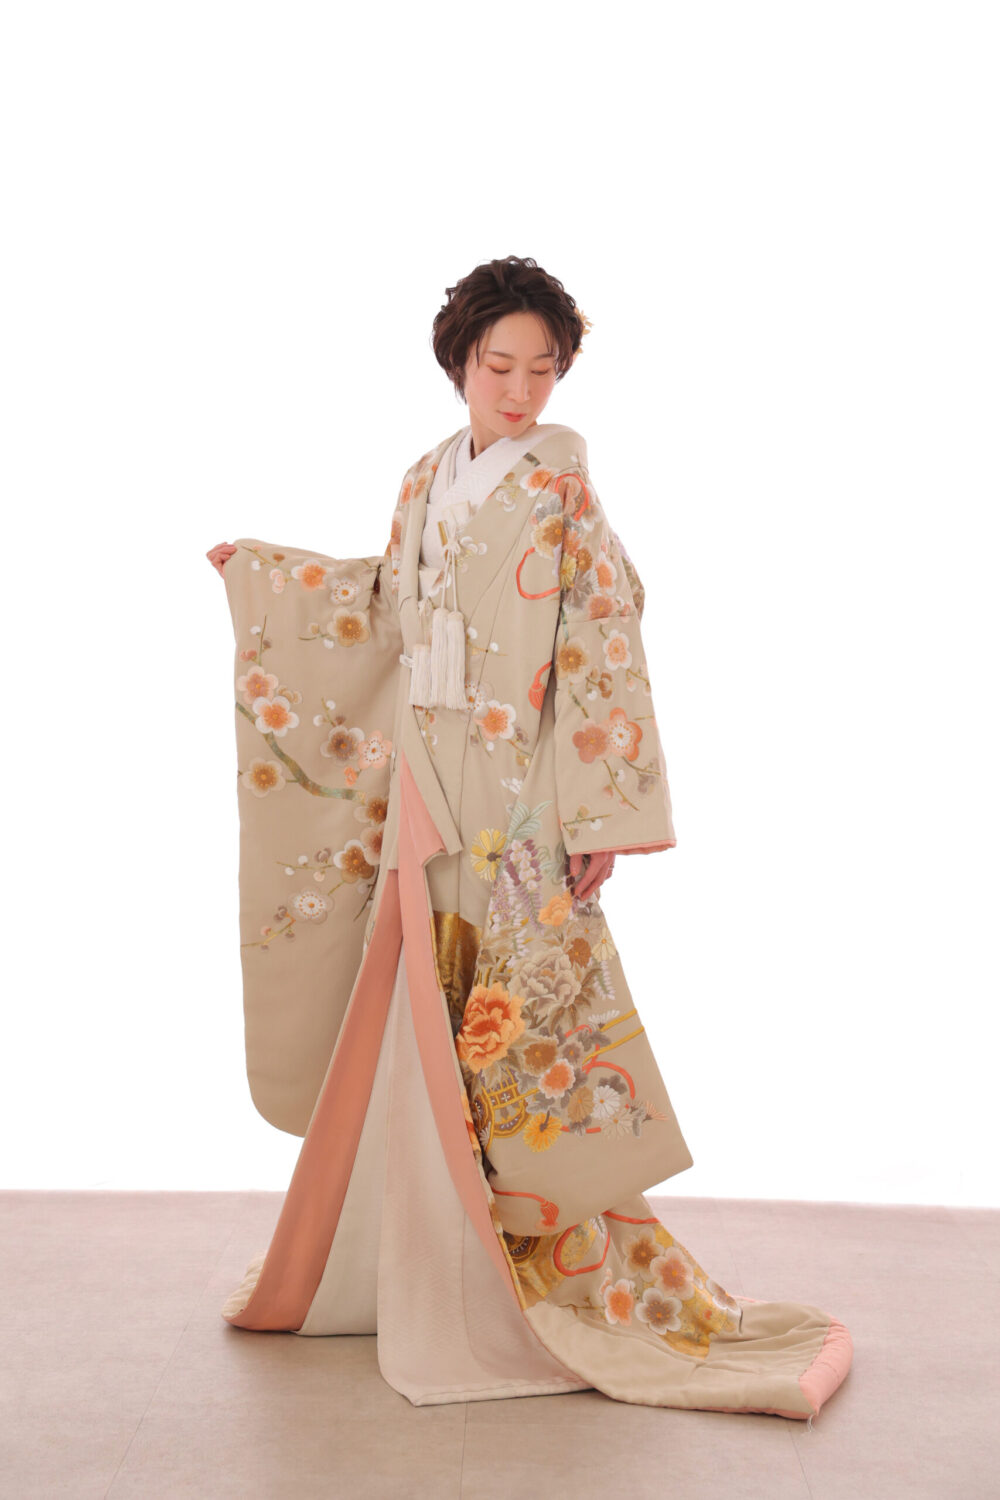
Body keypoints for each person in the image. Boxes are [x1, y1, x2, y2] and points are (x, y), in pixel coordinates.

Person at [206, 256, 852, 1418]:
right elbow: (384, 605)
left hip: (517, 792)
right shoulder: (422, 478)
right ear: (459, 362)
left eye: (540, 370)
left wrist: (595, 813)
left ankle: (540, 1271)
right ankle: (426, 1262)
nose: (518, 390)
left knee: (518, 1028)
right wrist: (268, 579)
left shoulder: (560, 488)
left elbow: (605, 632)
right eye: (498, 366)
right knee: (419, 1014)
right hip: (428, 773)